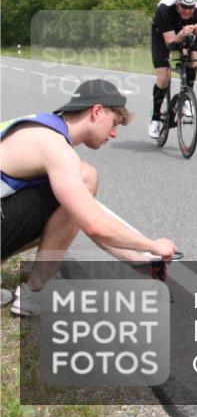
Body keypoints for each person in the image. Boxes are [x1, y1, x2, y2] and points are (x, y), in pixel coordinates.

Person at [1, 79, 177, 315]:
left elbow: (85, 219)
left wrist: (140, 261)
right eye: (114, 123)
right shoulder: (54, 147)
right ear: (96, 111)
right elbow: (94, 225)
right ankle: (34, 293)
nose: (113, 134)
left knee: (76, 198)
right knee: (86, 179)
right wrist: (152, 245)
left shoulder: (38, 127)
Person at [149, 0, 197, 138]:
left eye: (191, 7)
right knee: (163, 77)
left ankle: (187, 98)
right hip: (162, 36)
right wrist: (180, 35)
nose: (188, 11)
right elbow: (170, 44)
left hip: (183, 34)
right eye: (184, 7)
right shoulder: (164, 9)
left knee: (192, 59)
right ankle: (155, 118)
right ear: (177, 4)